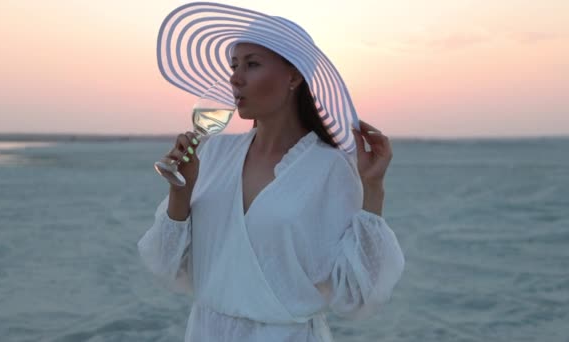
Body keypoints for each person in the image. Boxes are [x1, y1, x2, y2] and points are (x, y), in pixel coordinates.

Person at [138, 3, 405, 342]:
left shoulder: (329, 168)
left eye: (251, 64)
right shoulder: (215, 153)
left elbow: (356, 293)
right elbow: (165, 265)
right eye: (234, 65)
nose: (235, 77)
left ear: (293, 76)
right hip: (207, 332)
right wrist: (181, 191)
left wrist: (373, 187)